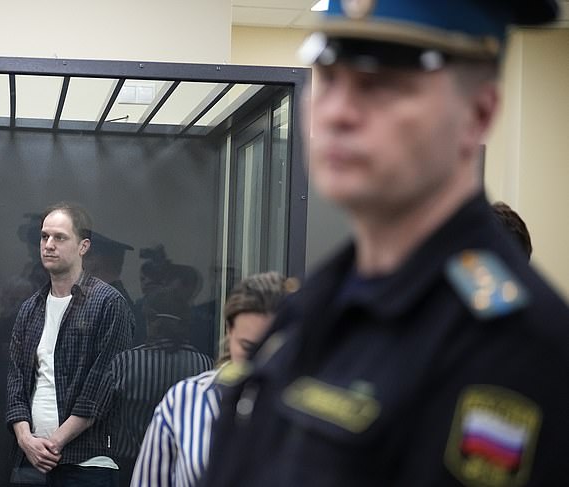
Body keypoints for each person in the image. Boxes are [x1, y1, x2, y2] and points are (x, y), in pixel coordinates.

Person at [200, 1, 569, 487]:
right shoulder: (314, 302)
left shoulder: (514, 346)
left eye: (382, 85)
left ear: (478, 113)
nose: (338, 112)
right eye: (329, 77)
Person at [6, 202, 135, 487]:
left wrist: (52, 444)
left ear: (83, 246)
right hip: (30, 459)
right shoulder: (30, 309)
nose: (49, 245)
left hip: (86, 462)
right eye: (44, 236)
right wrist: (26, 439)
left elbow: (100, 389)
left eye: (60, 237)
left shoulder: (108, 304)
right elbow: (16, 382)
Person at [130, 272, 291, 487]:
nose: (260, 363)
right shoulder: (185, 400)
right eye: (248, 348)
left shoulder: (314, 411)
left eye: (275, 350)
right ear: (229, 332)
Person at [110, 287, 213, 487]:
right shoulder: (205, 366)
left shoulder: (125, 362)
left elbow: (104, 416)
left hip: (127, 470)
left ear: (148, 321)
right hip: (185, 471)